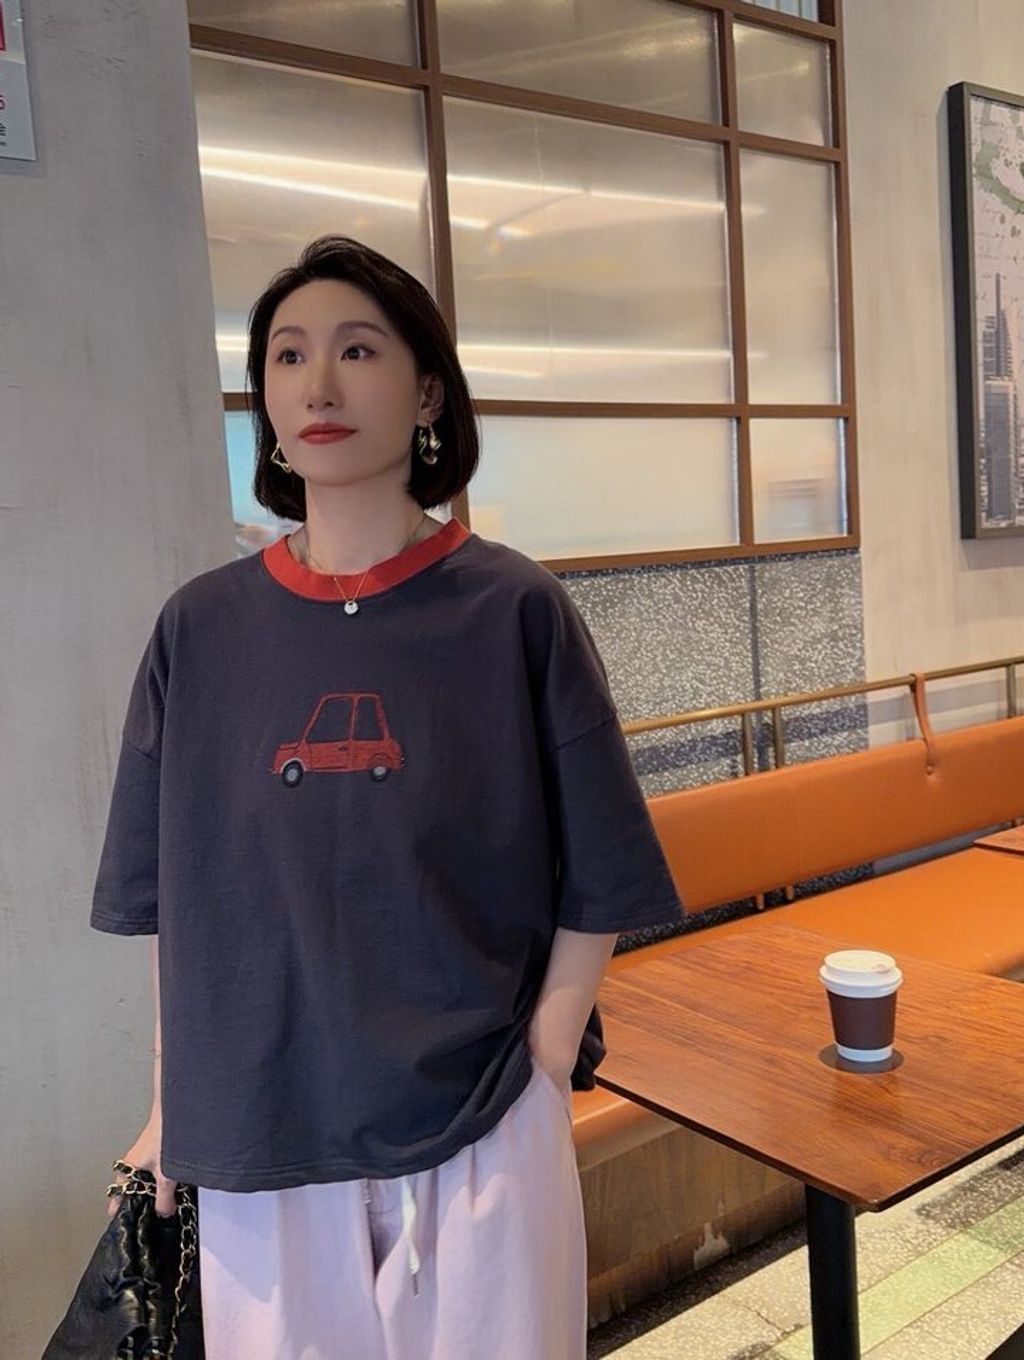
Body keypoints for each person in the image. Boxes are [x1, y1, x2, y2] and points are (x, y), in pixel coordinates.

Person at [92, 236, 682, 1359]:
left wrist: (545, 1060)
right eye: (288, 356)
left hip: (478, 1121)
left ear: (426, 393)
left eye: (357, 351)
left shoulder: (514, 609)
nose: (318, 384)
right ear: (265, 400)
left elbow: (603, 865)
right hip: (260, 1130)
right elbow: (174, 897)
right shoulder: (199, 630)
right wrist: (173, 1107)